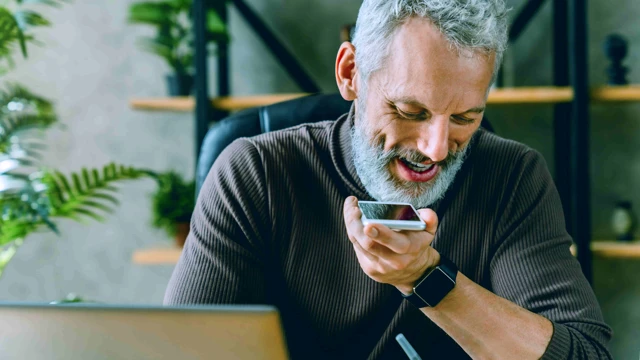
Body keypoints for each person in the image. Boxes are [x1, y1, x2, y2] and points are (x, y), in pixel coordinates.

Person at [164, 0, 612, 358]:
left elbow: (585, 354)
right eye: (410, 112)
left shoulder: (512, 177)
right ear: (349, 73)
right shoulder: (254, 173)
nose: (436, 148)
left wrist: (427, 278)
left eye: (464, 117)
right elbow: (181, 351)